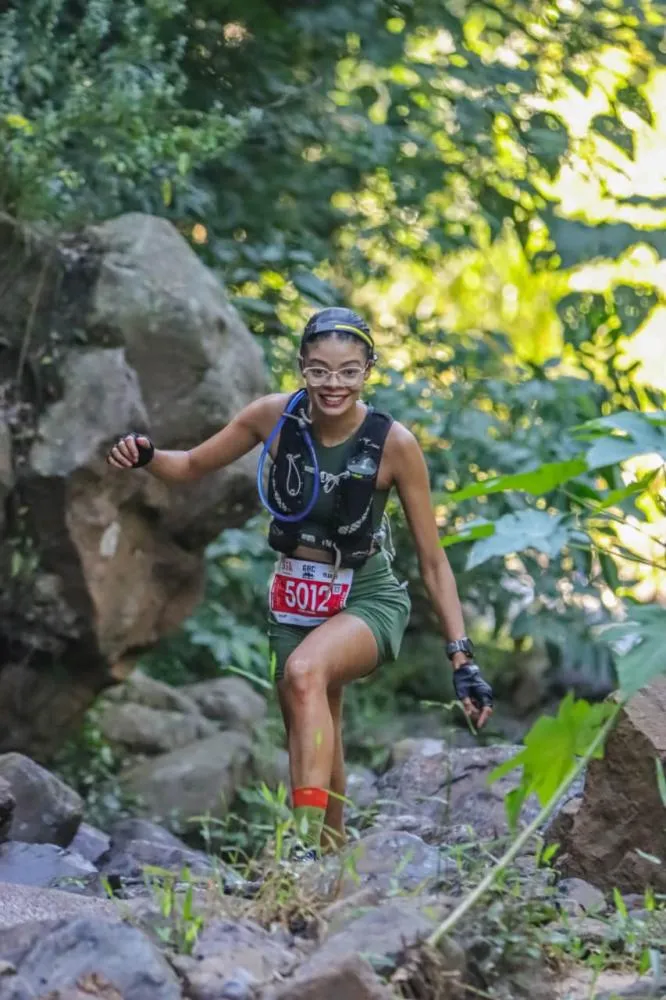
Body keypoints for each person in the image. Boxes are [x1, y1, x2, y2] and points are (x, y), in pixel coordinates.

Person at [107, 307, 493, 859]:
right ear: (301, 369)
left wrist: (462, 658)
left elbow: (433, 562)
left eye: (347, 372)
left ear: (367, 372)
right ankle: (327, 870)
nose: (332, 385)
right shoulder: (274, 418)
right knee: (312, 724)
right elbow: (191, 464)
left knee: (306, 671)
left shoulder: (393, 444)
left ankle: (297, 849)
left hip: (366, 594)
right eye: (319, 370)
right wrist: (145, 456)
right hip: (295, 596)